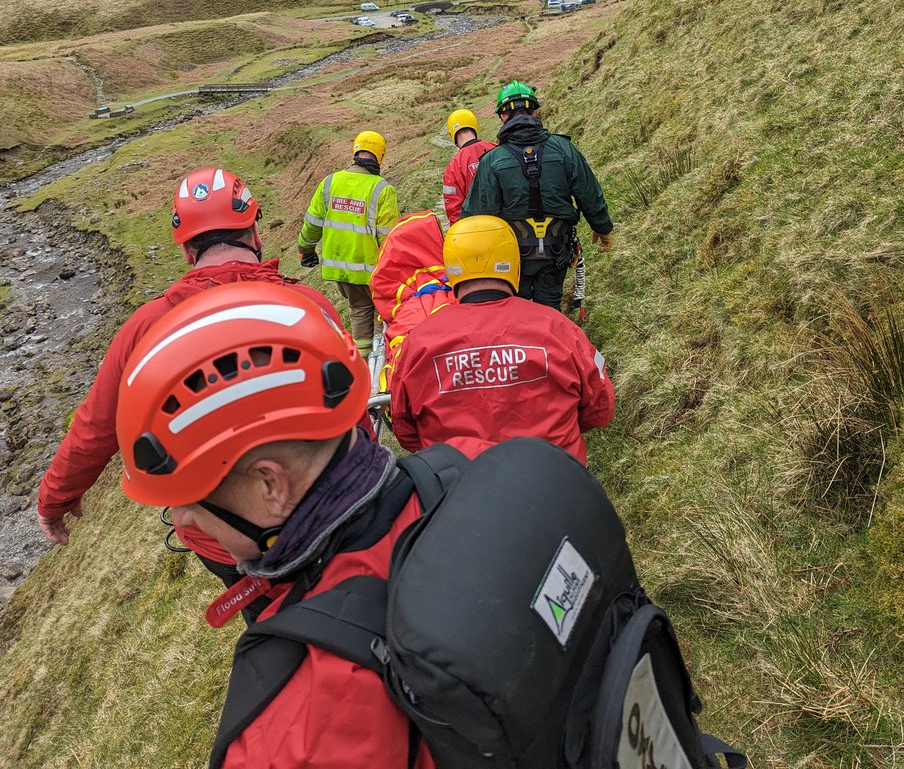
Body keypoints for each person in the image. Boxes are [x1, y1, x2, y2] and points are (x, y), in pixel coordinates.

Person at [116, 279, 486, 768]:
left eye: (188, 499)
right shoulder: (478, 468)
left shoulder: (283, 743)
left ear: (270, 484)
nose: (183, 518)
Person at [35, 167, 343, 593]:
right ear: (254, 232)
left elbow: (97, 425)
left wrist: (55, 499)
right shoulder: (309, 306)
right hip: (323, 507)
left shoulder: (148, 327)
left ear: (186, 251)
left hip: (222, 536)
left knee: (271, 621)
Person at [389, 215, 614, 463]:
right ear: (513, 261)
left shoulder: (418, 342)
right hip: (555, 484)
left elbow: (406, 430)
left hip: (459, 492)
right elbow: (600, 407)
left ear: (451, 267)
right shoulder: (559, 328)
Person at [461, 80, 613, 310]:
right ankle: (553, 341)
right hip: (556, 250)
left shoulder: (492, 160)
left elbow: (475, 216)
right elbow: (588, 192)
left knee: (516, 308)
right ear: (534, 110)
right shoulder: (564, 149)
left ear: (503, 116)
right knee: (550, 307)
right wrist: (602, 228)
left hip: (512, 255)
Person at [297, 130, 400, 357]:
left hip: (341, 272)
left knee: (359, 312)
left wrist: (305, 250)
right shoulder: (383, 190)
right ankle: (379, 367)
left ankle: (363, 364)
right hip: (374, 273)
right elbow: (389, 238)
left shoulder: (330, 183)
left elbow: (312, 223)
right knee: (381, 318)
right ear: (380, 156)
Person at [441, 107, 496, 225]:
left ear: (452, 134)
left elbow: (454, 211)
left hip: (475, 229)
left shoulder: (452, 168)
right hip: (505, 226)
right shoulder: (496, 149)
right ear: (474, 126)